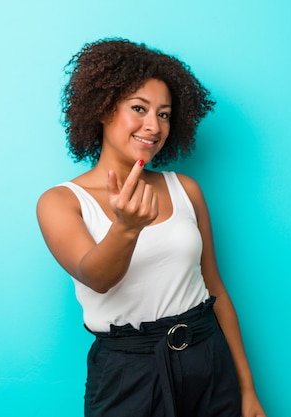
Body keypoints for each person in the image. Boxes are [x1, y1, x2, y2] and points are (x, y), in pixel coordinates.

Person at [37, 38, 266, 417]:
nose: (153, 126)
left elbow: (216, 290)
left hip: (208, 358)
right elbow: (96, 276)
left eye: (164, 114)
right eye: (139, 109)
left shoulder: (185, 189)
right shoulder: (61, 202)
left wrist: (246, 388)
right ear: (103, 109)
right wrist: (126, 229)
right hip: (129, 372)